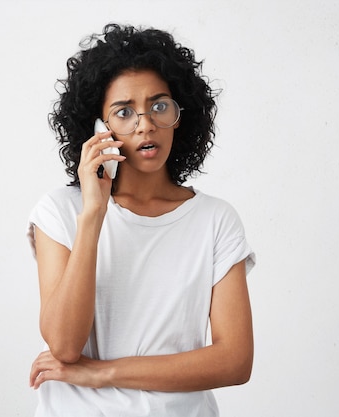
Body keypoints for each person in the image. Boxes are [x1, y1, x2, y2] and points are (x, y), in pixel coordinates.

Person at [27, 23, 256, 417]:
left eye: (159, 105)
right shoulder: (61, 211)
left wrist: (102, 373)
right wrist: (94, 213)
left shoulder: (216, 220)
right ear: (98, 128)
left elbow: (235, 361)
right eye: (124, 112)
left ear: (180, 115)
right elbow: (64, 345)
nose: (145, 123)